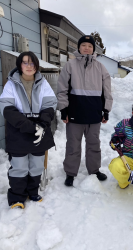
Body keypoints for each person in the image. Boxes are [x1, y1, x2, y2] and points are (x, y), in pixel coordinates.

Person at [0, 51, 57, 209]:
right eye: (25, 63)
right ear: (19, 65)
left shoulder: (43, 83)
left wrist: (43, 123)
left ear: (36, 65)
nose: (29, 66)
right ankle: (17, 197)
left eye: (32, 63)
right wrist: (30, 126)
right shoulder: (11, 84)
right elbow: (7, 108)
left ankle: (32, 191)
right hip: (19, 130)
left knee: (37, 164)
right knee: (19, 165)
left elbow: (50, 103)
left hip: (40, 128)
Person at [57, 35, 113, 186]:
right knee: (73, 145)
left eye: (90, 46)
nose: (87, 48)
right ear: (79, 47)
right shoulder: (70, 65)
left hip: (94, 115)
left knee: (94, 144)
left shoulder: (100, 68)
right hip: (75, 114)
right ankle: (70, 172)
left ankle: (94, 170)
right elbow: (62, 89)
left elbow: (107, 90)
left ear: (93, 49)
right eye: (84, 45)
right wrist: (63, 109)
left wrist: (106, 110)